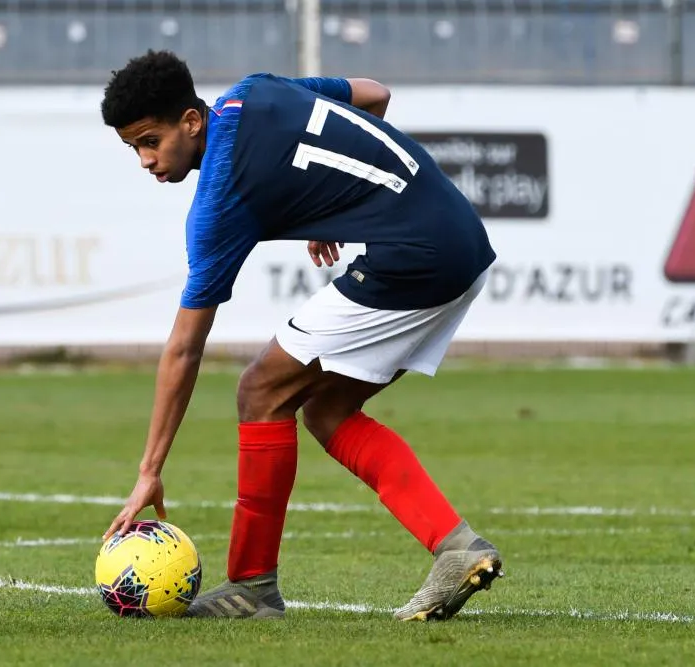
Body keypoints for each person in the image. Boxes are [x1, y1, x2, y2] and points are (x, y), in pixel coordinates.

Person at [99, 50, 504, 621]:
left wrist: (149, 471)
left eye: (149, 141)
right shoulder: (255, 90)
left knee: (260, 391)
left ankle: (251, 587)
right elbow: (374, 93)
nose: (144, 160)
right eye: (132, 149)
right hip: (460, 237)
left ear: (192, 122)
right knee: (326, 412)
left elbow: (185, 347)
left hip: (418, 256)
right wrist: (341, 207)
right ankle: (456, 548)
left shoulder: (218, 201)